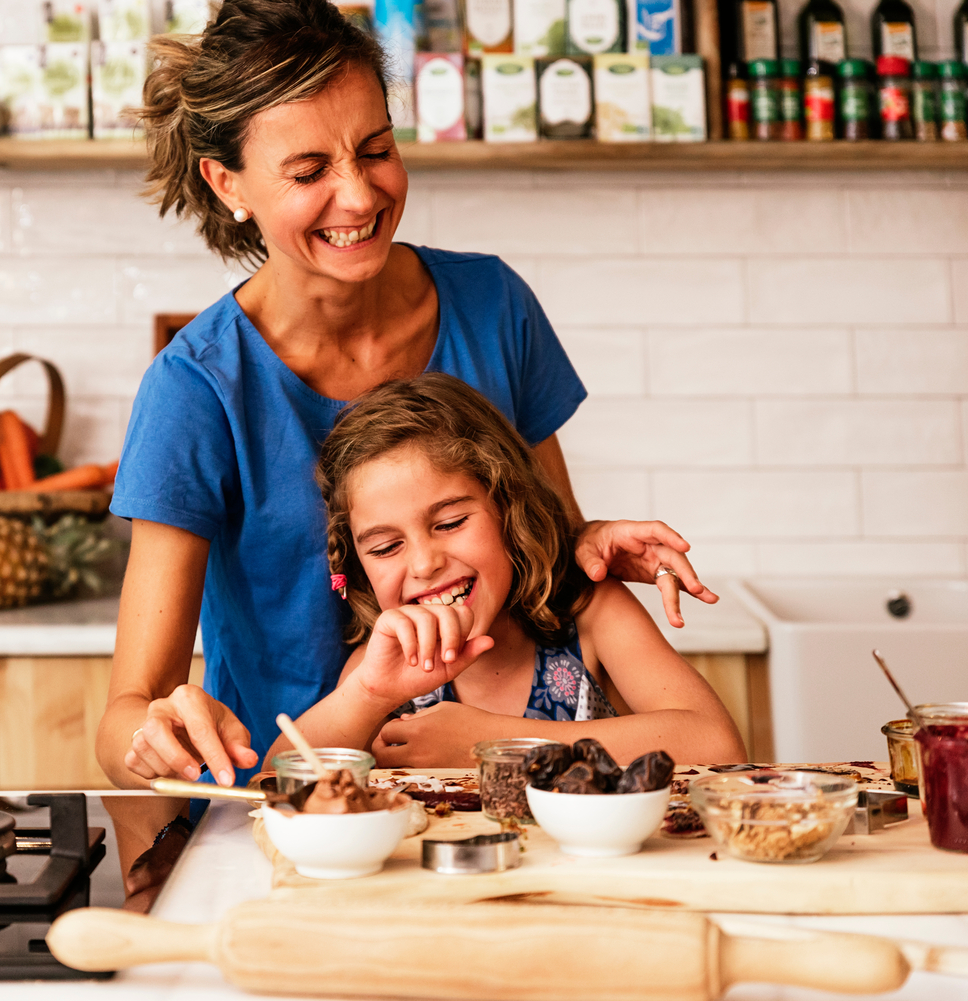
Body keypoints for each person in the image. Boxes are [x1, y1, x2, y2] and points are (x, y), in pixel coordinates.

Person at [99, 0, 720, 791]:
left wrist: (587, 538)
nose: (358, 196)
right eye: (309, 171)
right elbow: (128, 710)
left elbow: (538, 561)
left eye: (376, 149)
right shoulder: (197, 388)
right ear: (228, 183)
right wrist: (156, 732)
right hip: (279, 801)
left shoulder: (494, 306)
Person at [268, 374, 746, 766]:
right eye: (387, 546)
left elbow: (716, 745)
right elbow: (274, 785)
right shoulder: (386, 662)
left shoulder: (589, 613)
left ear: (509, 510)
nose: (424, 562)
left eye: (451, 522)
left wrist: (489, 745)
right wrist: (369, 695)